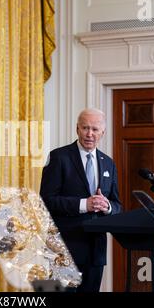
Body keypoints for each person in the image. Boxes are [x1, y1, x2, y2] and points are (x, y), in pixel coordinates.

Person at [40, 108, 122, 292]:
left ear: (103, 132)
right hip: (63, 249)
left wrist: (107, 206)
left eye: (94, 129)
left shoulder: (108, 163)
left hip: (95, 251)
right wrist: (85, 204)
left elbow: (117, 205)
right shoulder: (59, 157)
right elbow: (46, 200)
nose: (89, 134)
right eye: (85, 128)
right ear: (77, 129)